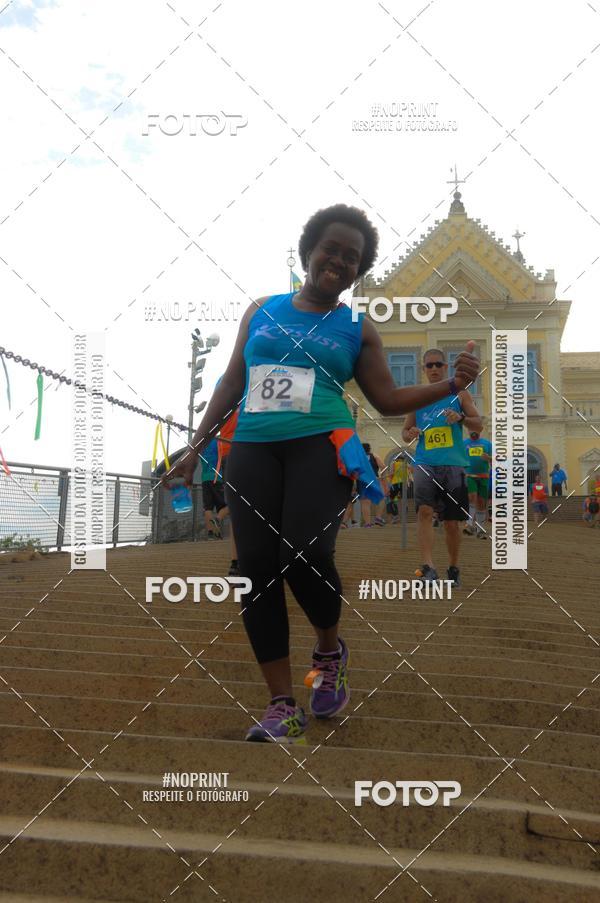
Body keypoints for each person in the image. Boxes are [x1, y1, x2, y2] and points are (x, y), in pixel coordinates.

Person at [164, 203, 479, 744]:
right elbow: (230, 382)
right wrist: (195, 449)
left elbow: (386, 399)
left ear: (358, 270)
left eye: (351, 258)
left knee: (304, 555)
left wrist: (451, 386)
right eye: (331, 249)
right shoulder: (261, 310)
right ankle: (282, 704)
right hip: (253, 450)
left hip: (323, 445)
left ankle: (329, 652)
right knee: (255, 570)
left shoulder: (357, 326)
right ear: (309, 250)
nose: (338, 261)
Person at [402, 349, 483, 587]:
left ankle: (454, 566)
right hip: (425, 462)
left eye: (438, 364)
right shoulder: (416, 398)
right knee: (424, 512)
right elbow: (406, 433)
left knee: (451, 521)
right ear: (423, 369)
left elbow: (478, 424)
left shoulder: (460, 394)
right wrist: (412, 433)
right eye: (429, 365)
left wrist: (460, 419)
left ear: (446, 367)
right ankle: (428, 566)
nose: (434, 369)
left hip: (453, 465)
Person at [463, 428, 493, 538]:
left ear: (480, 429)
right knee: (472, 497)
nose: (472, 431)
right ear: (467, 430)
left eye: (475, 428)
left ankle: (480, 530)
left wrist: (489, 458)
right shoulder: (463, 443)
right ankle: (469, 524)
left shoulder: (487, 443)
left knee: (481, 503)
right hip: (469, 476)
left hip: (484, 477)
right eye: (470, 428)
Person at [200, 438, 227, 539]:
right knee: (226, 507)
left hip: (205, 479)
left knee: (208, 508)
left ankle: (211, 533)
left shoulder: (202, 443)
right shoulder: (219, 441)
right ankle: (218, 519)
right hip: (216, 478)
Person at [361, 443, 386, 526]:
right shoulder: (374, 456)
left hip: (362, 481)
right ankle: (378, 517)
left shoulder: (359, 457)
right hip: (374, 479)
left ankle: (367, 524)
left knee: (365, 502)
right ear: (369, 449)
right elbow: (383, 466)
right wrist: (382, 477)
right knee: (381, 498)